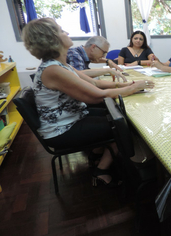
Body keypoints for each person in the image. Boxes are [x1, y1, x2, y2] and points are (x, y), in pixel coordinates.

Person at [22, 18, 155, 187]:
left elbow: (96, 83)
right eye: (62, 30)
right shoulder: (53, 69)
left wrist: (127, 84)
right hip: (62, 130)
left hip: (72, 118)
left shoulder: (60, 65)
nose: (67, 33)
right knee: (123, 126)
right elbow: (97, 96)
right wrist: (133, 88)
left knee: (116, 117)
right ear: (51, 39)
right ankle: (101, 171)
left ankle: (98, 153)